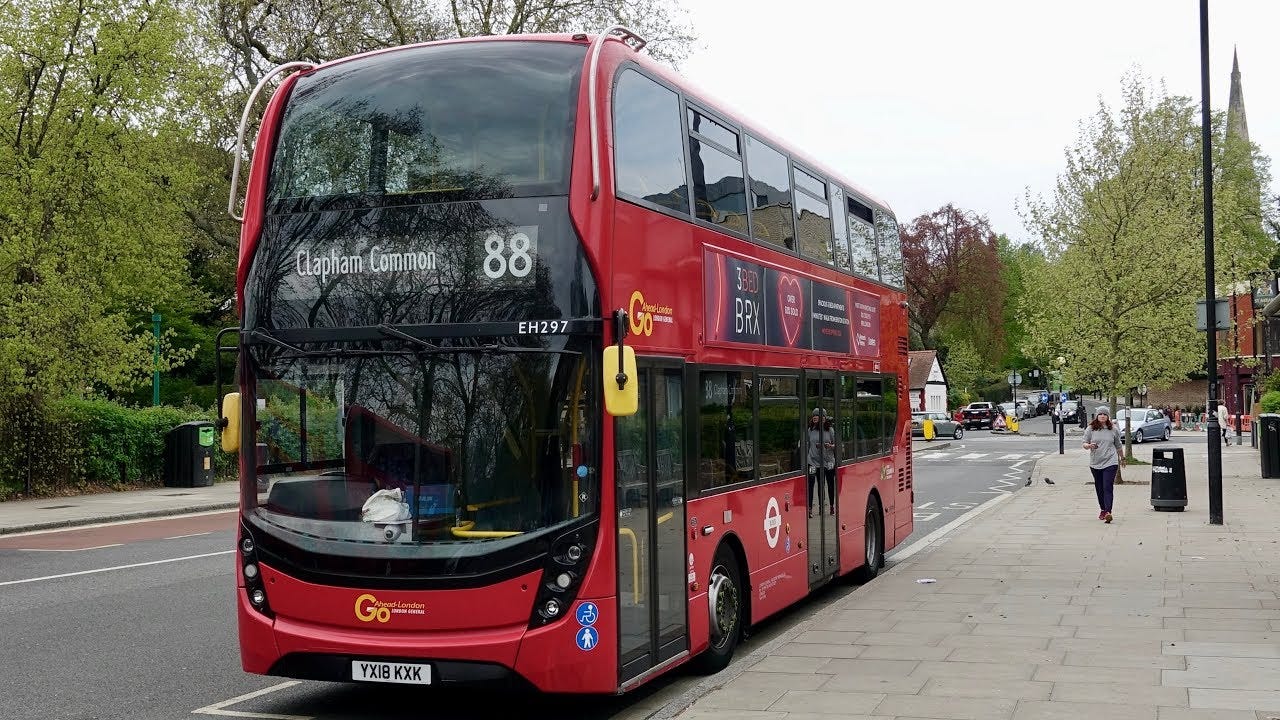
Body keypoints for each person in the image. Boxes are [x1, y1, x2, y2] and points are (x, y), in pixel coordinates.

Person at [1082, 407, 1125, 523]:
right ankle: (1102, 509)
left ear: (1108, 416)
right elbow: (1084, 443)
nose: (1102, 416)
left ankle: (1108, 512)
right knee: (1099, 487)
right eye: (1100, 414)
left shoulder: (1113, 429)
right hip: (1095, 462)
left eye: (1104, 414)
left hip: (1110, 462)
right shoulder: (1091, 429)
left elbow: (1118, 445)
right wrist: (1089, 445)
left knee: (1107, 486)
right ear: (1097, 416)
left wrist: (1122, 458)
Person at [807, 409, 836, 518]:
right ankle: (810, 509)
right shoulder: (810, 430)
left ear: (823, 418)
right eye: (813, 416)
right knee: (811, 484)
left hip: (828, 462)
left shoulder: (830, 430)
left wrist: (829, 446)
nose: (814, 417)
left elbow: (836, 445)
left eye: (817, 416)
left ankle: (831, 506)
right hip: (813, 462)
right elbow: (807, 443)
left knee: (827, 484)